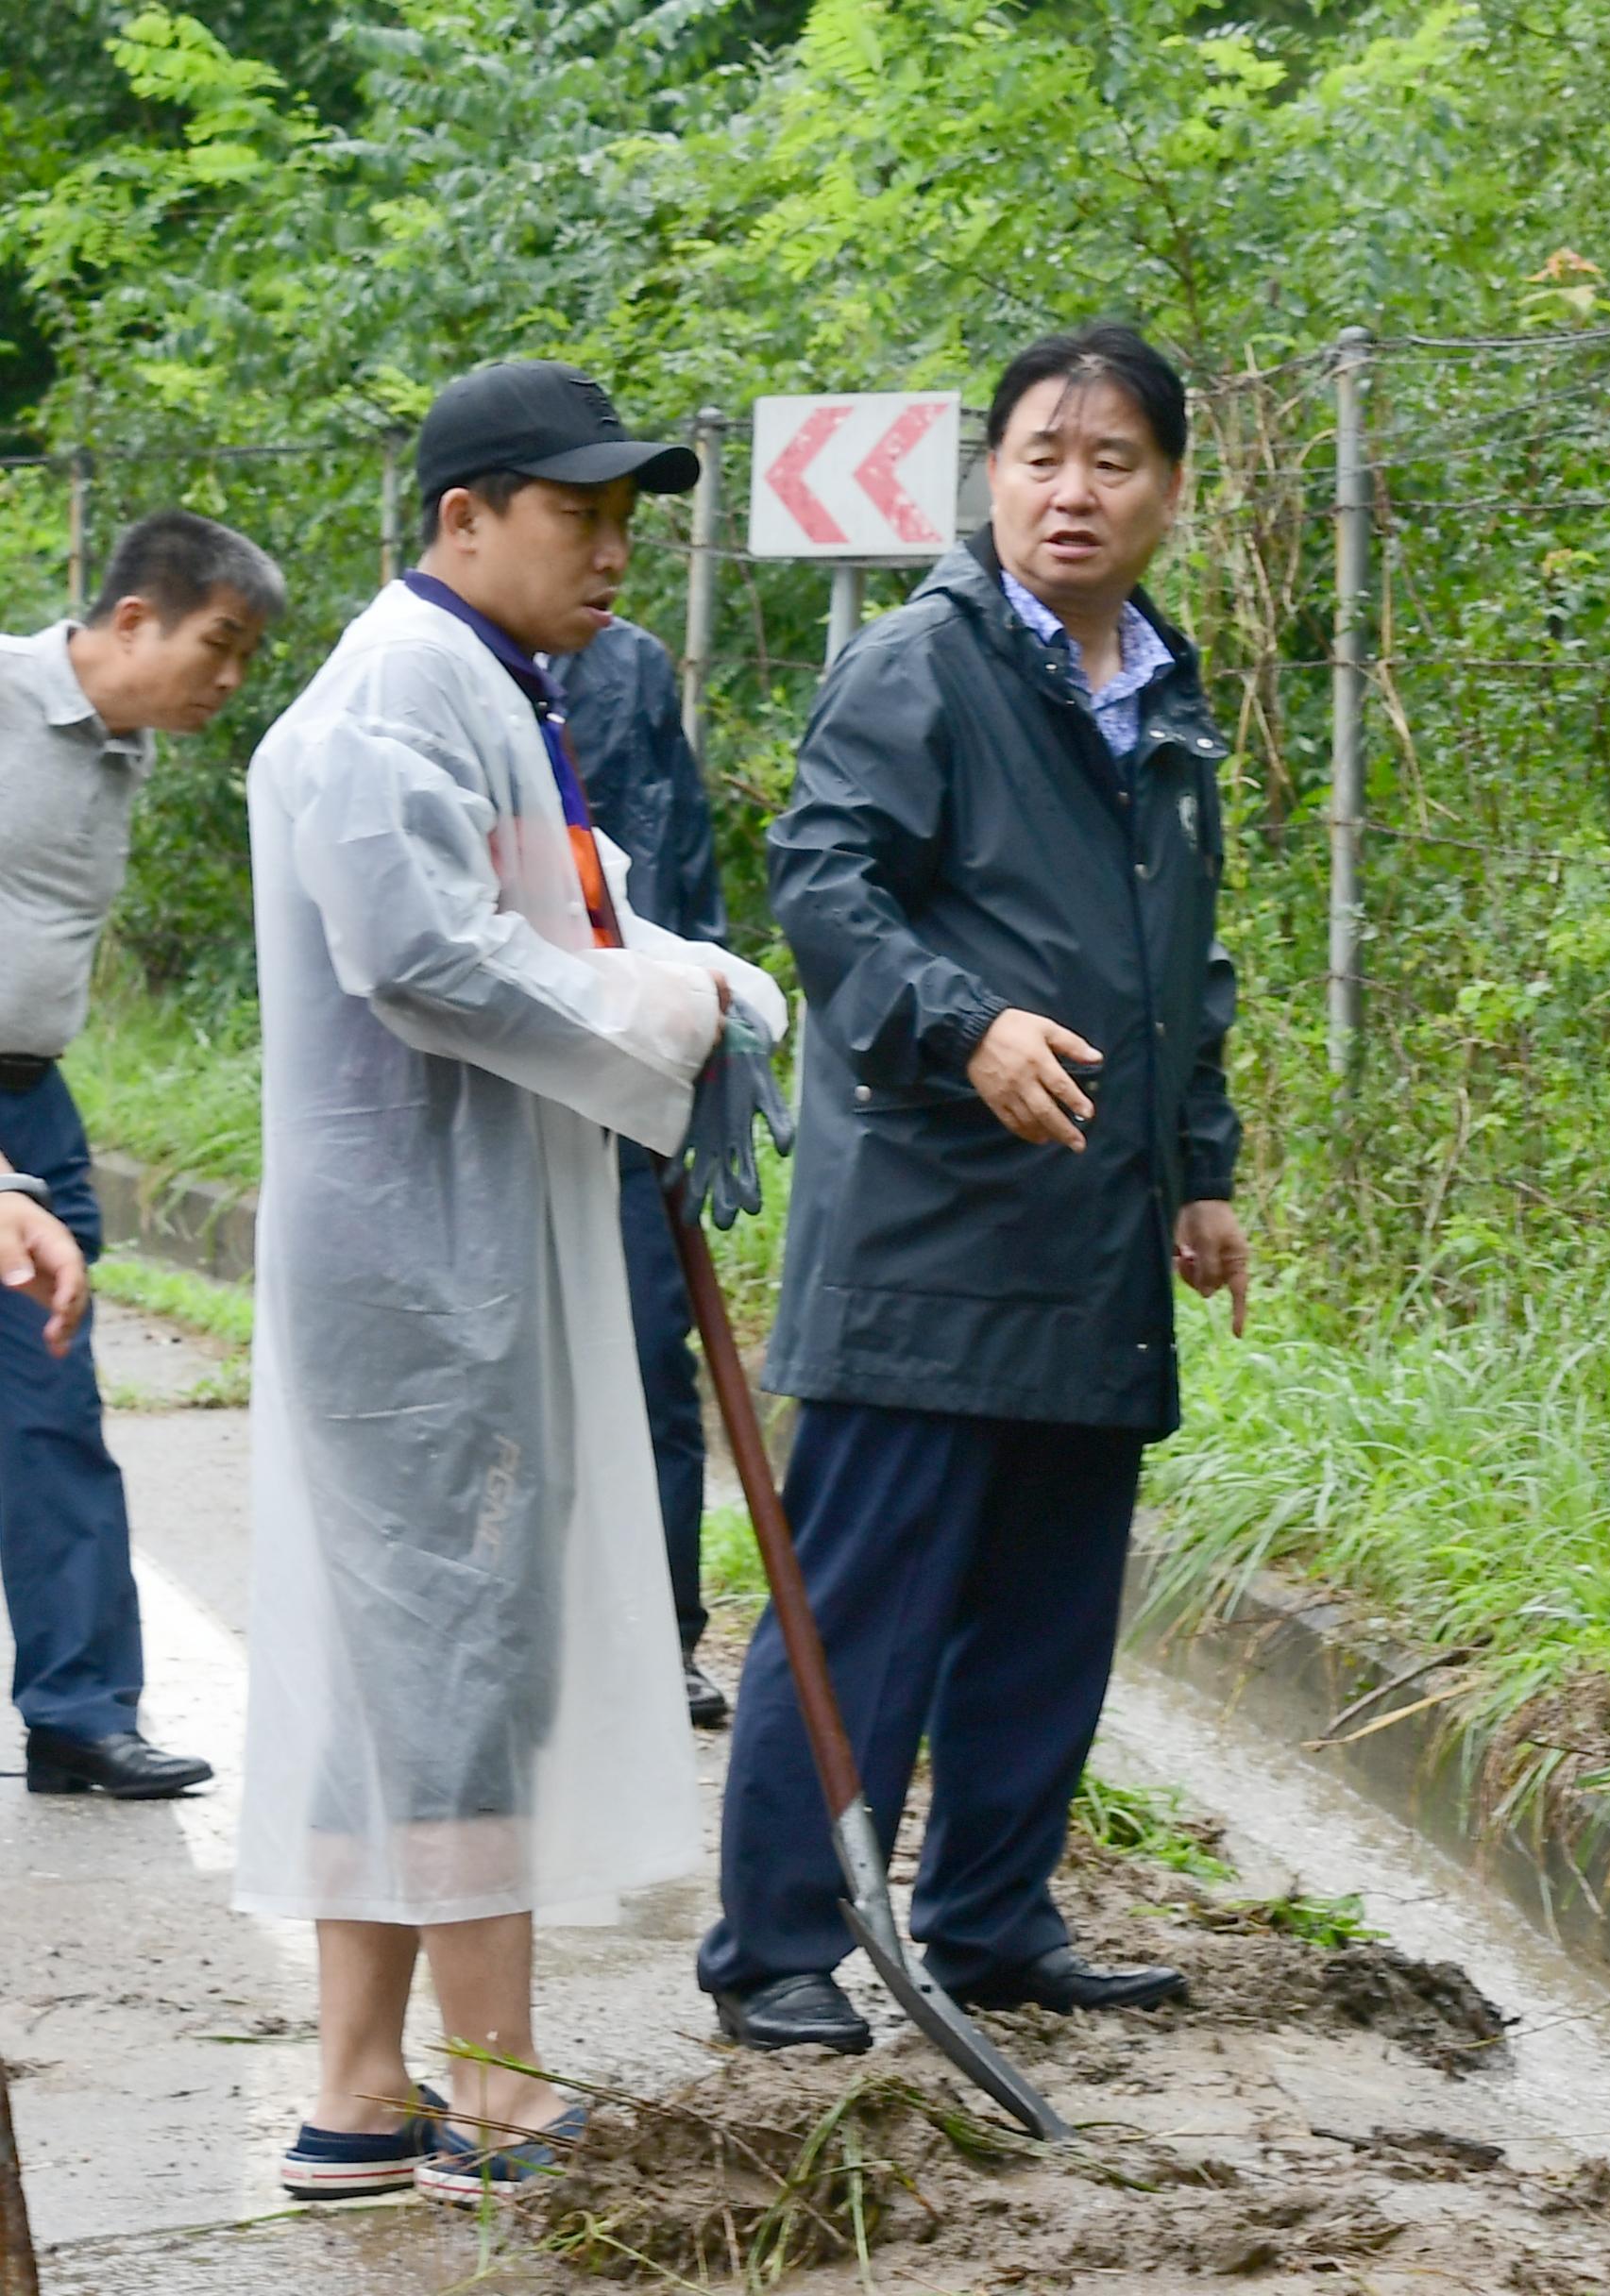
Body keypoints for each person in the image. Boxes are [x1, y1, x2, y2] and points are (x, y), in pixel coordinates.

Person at [241, 359, 781, 2205]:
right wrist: (664, 1011)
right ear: (463, 517)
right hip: (415, 1263)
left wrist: (704, 984)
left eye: (630, 517)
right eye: (580, 513)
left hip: (440, 1247)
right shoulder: (404, 687)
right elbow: (425, 958)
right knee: (457, 1651)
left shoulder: (485, 682)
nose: (615, 548)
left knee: (396, 1666)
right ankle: (494, 2096)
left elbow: (579, 910)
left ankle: (362, 2091)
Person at [698, 323, 1248, 2053]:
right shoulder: (921, 667)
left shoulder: (1160, 689)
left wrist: (1200, 1171)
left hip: (1090, 1222)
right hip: (932, 1223)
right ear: (988, 475)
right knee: (862, 1600)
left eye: (1112, 461)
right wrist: (967, 1026)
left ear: (1167, 490)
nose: (1071, 491)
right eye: (1038, 455)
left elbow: (1179, 967)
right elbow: (824, 882)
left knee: (1046, 1613)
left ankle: (993, 1915)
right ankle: (776, 1944)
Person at [1, 514, 280, 1801]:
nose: (229, 680)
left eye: (246, 657)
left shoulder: (124, 751)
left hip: (33, 1108)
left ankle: (80, 1713)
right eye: (217, 646)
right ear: (131, 621)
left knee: (50, 1413)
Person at [545, 612, 734, 1728]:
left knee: (652, 1357)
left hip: (632, 1065)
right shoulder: (435, 669)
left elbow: (684, 854)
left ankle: (663, 1634)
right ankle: (534, 1626)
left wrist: (699, 1019)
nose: (603, 555)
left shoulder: (630, 667)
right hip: (497, 1070)